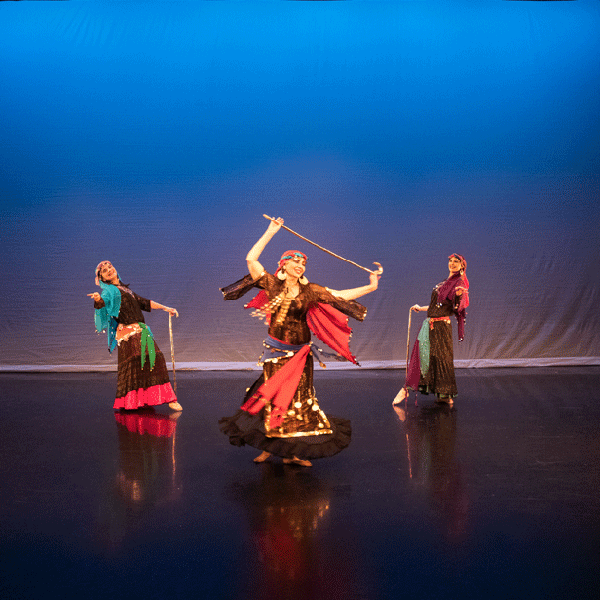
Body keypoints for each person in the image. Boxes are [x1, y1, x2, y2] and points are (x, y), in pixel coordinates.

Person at [219, 218, 380, 467]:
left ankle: (292, 452)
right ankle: (269, 447)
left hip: (300, 355)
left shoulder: (310, 291)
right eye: (296, 261)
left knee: (297, 402)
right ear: (284, 264)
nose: (301, 266)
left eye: (303, 263)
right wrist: (271, 231)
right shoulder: (271, 284)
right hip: (276, 353)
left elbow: (338, 296)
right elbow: (251, 260)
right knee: (272, 399)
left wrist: (370, 287)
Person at [88, 261, 182, 411]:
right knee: (145, 362)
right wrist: (98, 299)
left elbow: (144, 302)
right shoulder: (109, 291)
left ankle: (147, 400)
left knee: (149, 361)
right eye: (105, 271)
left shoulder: (125, 289)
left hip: (140, 330)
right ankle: (137, 402)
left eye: (110, 267)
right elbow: (103, 302)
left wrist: (166, 308)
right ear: (103, 279)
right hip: (128, 333)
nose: (109, 270)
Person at [394, 254, 469, 406]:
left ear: (462, 266)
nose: (452, 264)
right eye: (450, 261)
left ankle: (445, 394)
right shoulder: (444, 283)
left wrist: (459, 296)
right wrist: (420, 308)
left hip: (442, 328)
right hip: (430, 325)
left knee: (442, 360)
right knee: (424, 357)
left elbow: (457, 305)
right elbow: (436, 307)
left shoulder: (458, 283)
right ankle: (407, 387)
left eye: (456, 262)